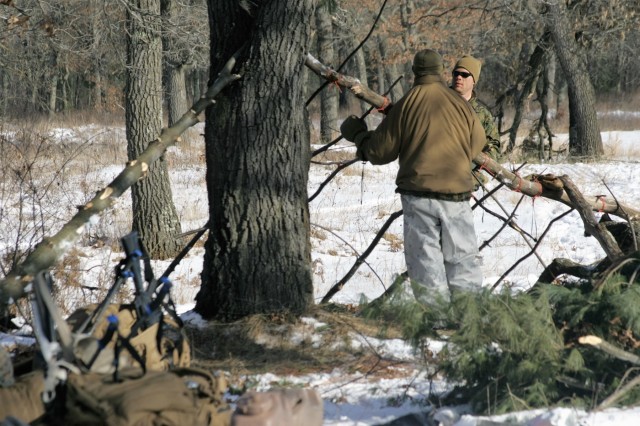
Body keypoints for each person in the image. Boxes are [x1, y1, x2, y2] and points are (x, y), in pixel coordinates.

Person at [340, 49, 487, 306]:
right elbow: (477, 144)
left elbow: (379, 152)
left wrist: (359, 136)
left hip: (420, 196)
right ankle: (469, 317)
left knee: (426, 260)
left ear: (415, 73)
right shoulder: (461, 105)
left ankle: (436, 321)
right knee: (463, 257)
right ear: (442, 71)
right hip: (458, 194)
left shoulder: (407, 104)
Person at [451, 55, 501, 161]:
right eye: (456, 73)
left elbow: (493, 150)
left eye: (464, 75)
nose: (459, 77)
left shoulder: (483, 115)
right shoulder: (439, 105)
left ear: (474, 80)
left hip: (470, 173)